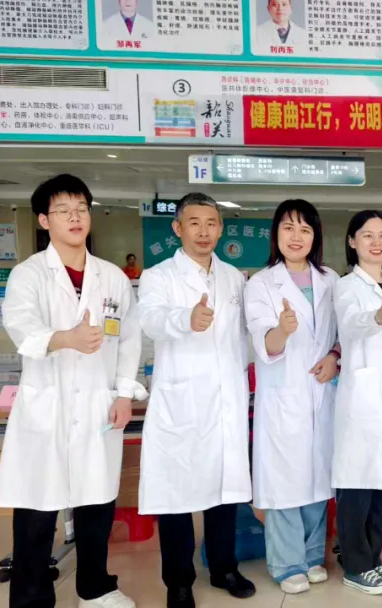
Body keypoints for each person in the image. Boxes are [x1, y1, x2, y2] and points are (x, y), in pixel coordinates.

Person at [0, 174, 145, 608]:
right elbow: (21, 327)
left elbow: (129, 338)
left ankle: (95, 590)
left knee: (96, 506)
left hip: (99, 404)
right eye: (63, 211)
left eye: (81, 209)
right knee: (36, 514)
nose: (75, 217)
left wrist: (123, 393)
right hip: (47, 406)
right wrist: (66, 339)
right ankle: (30, 599)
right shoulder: (28, 275)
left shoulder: (111, 277)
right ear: (44, 220)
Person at [135, 193, 256, 608]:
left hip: (226, 398)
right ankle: (179, 581)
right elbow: (150, 320)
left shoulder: (234, 278)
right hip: (182, 401)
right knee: (177, 495)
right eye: (194, 223)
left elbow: (244, 336)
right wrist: (184, 319)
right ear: (178, 228)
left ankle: (224, 568)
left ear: (220, 229)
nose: (203, 231)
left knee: (225, 490)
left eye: (211, 223)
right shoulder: (159, 276)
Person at [245, 199, 340, 594]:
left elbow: (343, 335)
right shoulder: (261, 283)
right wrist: (283, 329)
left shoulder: (331, 279)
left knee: (318, 477)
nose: (296, 236)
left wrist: (335, 356)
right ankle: (287, 563)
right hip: (283, 394)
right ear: (276, 234)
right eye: (288, 227)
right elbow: (264, 343)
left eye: (305, 229)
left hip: (322, 392)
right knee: (284, 480)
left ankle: (313, 555)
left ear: (315, 236)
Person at [332, 211, 382, 596]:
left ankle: (373, 558)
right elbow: (350, 324)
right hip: (362, 400)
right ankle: (355, 564)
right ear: (352, 241)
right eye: (367, 235)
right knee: (357, 484)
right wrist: (377, 316)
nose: (376, 242)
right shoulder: (346, 286)